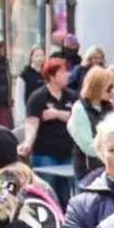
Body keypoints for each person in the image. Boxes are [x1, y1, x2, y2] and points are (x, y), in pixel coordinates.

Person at [21, 57, 79, 204]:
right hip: (45, 154)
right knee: (48, 193)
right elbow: (31, 123)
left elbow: (78, 118)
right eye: (63, 72)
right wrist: (27, 142)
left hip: (68, 152)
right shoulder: (37, 97)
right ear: (52, 76)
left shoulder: (72, 96)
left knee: (66, 195)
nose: (67, 75)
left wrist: (57, 114)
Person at [68, 67, 114, 176]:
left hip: (108, 170)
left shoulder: (108, 107)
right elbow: (88, 147)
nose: (112, 91)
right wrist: (113, 151)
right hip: (88, 171)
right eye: (109, 87)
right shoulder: (79, 109)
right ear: (98, 86)